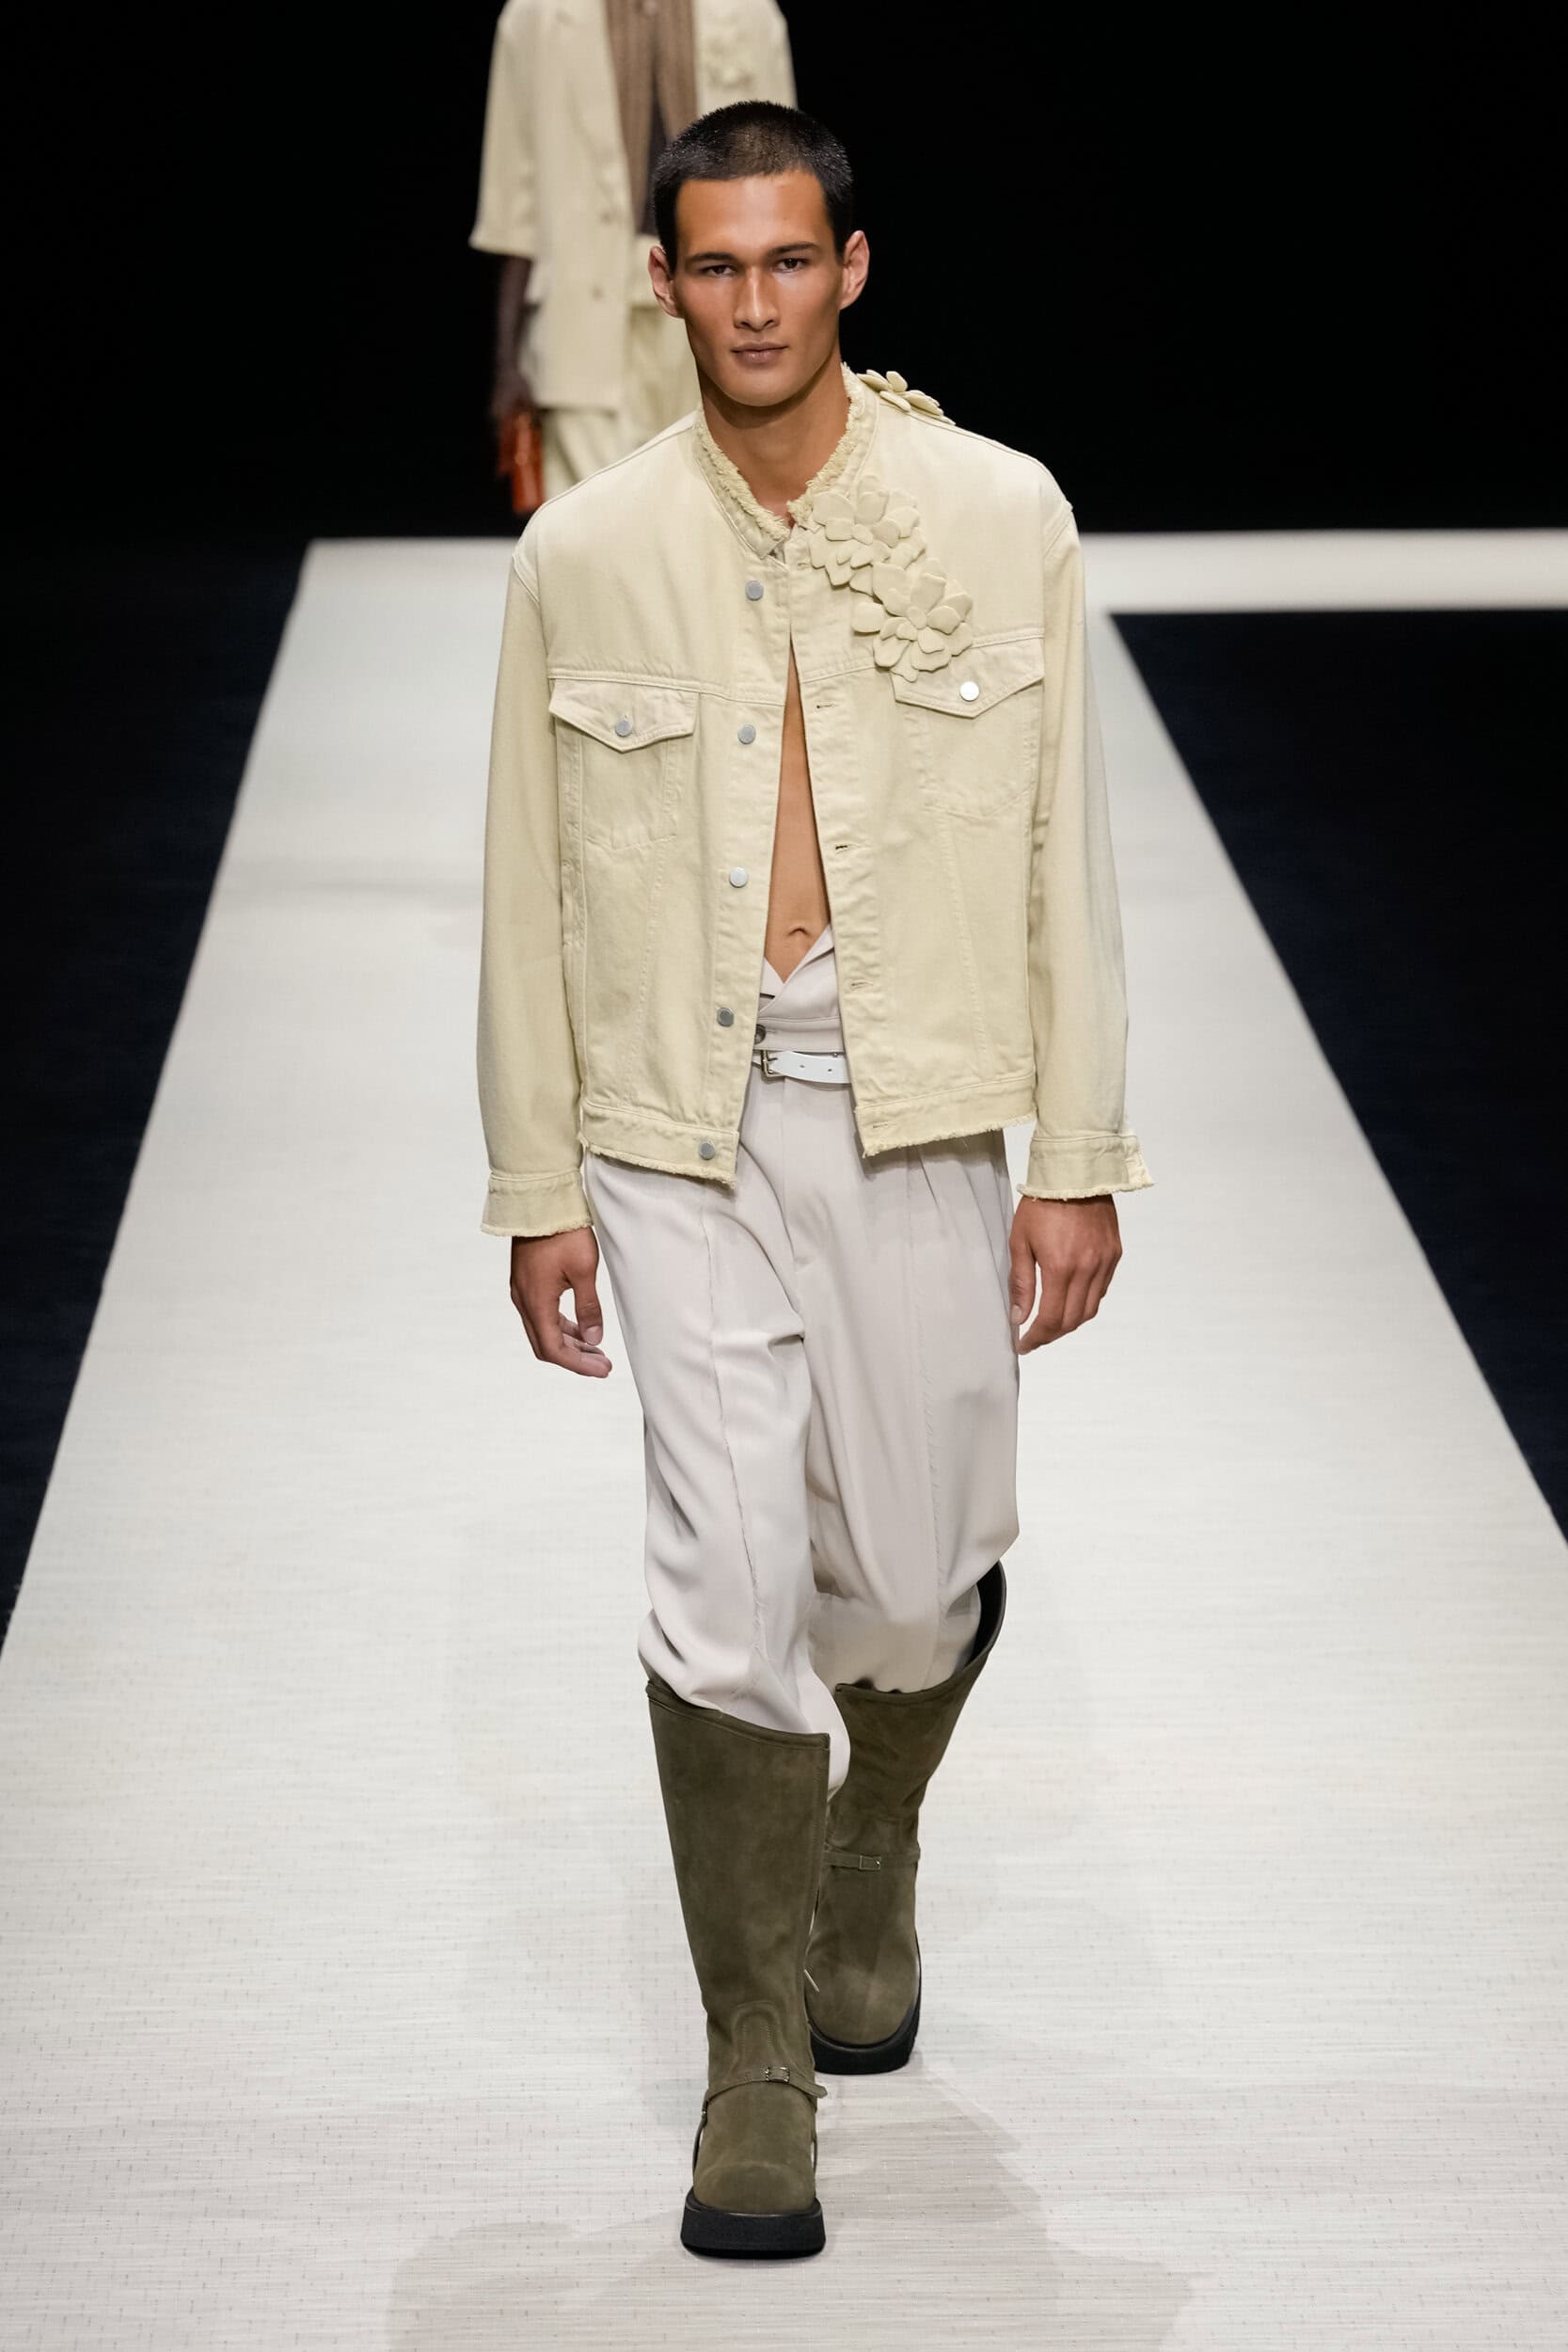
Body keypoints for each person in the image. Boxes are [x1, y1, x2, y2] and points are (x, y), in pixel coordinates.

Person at [475, 100, 1153, 2258]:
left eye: (790, 260)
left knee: (914, 1573)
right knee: (723, 1574)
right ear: (662, 285)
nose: (754, 301)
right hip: (675, 1128)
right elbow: (522, 887)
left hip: (916, 1104)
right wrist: (537, 1182)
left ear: (849, 269)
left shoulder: (998, 515)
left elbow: (1064, 846)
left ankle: (871, 1852)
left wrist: (1078, 1153)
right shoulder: (584, 555)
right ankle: (753, 2053)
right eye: (716, 265)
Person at [469, 0, 795, 501]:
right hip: (579, 305)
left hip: (717, 291)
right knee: (588, 515)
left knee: (715, 506)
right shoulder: (536, 15)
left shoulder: (749, 13)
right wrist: (506, 366)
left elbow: (786, 190)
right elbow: (512, 207)